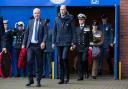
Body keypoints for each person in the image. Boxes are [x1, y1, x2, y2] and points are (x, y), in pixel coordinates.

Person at [22, 8, 48, 87]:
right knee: (29, 62)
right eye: (35, 13)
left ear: (40, 14)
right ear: (33, 14)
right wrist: (23, 44)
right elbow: (26, 34)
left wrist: (43, 42)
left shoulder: (43, 22)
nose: (36, 15)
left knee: (39, 64)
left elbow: (46, 34)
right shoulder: (30, 22)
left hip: (39, 46)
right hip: (30, 46)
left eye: (38, 13)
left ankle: (38, 81)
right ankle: (30, 80)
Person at [52, 5, 76, 84]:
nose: (62, 11)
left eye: (63, 9)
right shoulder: (56, 19)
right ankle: (62, 79)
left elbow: (73, 31)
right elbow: (54, 31)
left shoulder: (71, 18)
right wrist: (53, 42)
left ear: (66, 10)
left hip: (67, 42)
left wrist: (73, 42)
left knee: (64, 57)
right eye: (61, 9)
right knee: (60, 60)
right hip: (58, 42)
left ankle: (67, 77)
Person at [74, 13, 92, 81]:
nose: (80, 21)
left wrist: (90, 46)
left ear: (84, 20)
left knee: (84, 60)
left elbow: (90, 37)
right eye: (79, 19)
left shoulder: (87, 27)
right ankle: (80, 76)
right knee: (79, 61)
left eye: (81, 19)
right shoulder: (77, 28)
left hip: (85, 47)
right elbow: (75, 38)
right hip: (79, 47)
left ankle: (86, 71)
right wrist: (73, 44)